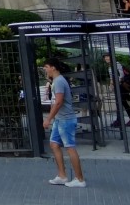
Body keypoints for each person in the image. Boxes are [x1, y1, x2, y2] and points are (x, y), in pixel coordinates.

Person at [42, 58, 85, 188]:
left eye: (46, 66)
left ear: (53, 67)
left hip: (65, 119)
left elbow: (59, 102)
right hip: (60, 119)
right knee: (54, 144)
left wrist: (48, 118)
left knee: (70, 147)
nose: (45, 69)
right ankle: (62, 175)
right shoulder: (56, 81)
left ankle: (80, 179)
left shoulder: (59, 81)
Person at [103, 54, 130, 127]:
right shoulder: (109, 67)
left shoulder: (117, 64)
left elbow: (121, 75)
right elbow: (112, 77)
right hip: (118, 86)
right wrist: (111, 85)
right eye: (105, 58)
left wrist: (116, 82)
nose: (107, 59)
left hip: (121, 86)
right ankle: (129, 120)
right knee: (123, 103)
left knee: (120, 103)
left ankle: (121, 121)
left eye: (108, 57)